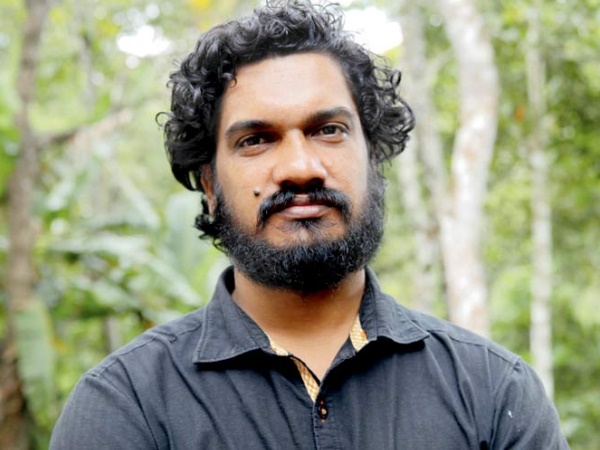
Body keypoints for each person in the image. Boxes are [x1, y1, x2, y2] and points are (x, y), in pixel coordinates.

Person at [50, 1, 569, 448]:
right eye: (256, 140)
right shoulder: (127, 405)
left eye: (328, 130)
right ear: (209, 184)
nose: (300, 167)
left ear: (373, 159)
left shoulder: (493, 392)